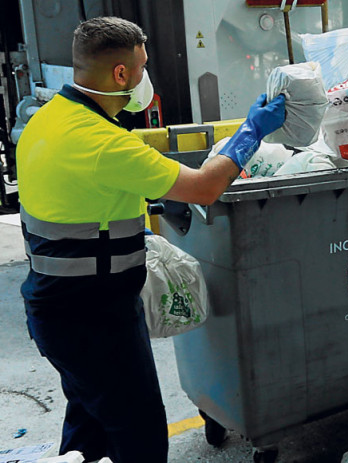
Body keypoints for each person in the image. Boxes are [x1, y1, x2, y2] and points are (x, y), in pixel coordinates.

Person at [16, 17, 285, 463]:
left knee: (89, 423)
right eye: (142, 66)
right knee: (138, 436)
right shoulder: (104, 143)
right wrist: (252, 131)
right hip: (95, 318)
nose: (145, 76)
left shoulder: (46, 122)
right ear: (121, 74)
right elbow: (203, 188)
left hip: (55, 306)